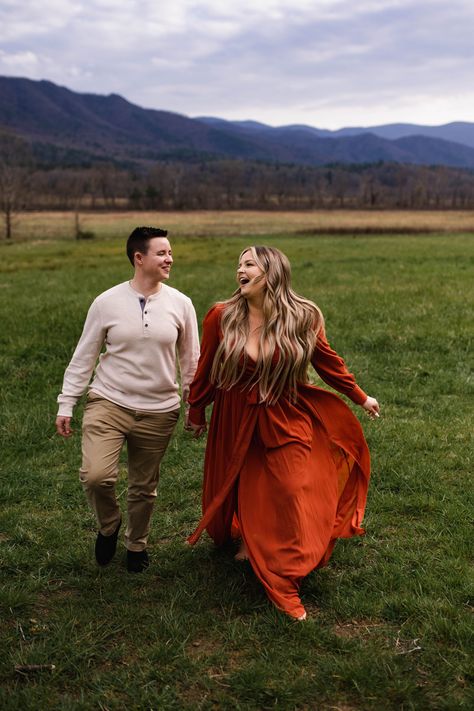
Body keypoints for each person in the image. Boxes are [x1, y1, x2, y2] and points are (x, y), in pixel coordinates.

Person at [186, 245, 379, 620]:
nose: (239, 271)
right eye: (238, 265)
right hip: (234, 413)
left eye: (248, 264)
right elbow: (206, 368)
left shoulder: (303, 317)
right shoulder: (221, 317)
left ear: (271, 273)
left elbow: (327, 361)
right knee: (241, 480)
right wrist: (196, 410)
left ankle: (286, 574)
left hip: (285, 412)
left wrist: (360, 395)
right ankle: (252, 540)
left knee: (290, 486)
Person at [56, 226, 199, 573]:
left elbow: (191, 361)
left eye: (170, 252)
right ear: (139, 258)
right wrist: (66, 401)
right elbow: (84, 355)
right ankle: (109, 524)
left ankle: (137, 544)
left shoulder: (181, 304)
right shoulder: (106, 302)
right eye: (162, 253)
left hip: (160, 411)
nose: (170, 258)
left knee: (143, 487)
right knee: (96, 476)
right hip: (109, 401)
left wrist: (195, 405)